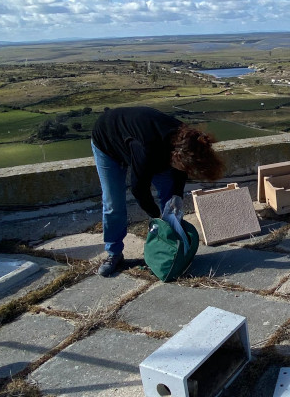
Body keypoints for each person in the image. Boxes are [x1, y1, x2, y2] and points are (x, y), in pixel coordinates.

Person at [91, 106, 225, 277]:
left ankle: (171, 249)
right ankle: (114, 253)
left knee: (170, 199)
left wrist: (175, 199)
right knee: (113, 203)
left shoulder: (187, 141)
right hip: (107, 141)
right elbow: (139, 189)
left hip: (149, 144)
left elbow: (179, 175)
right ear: (175, 157)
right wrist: (156, 219)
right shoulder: (146, 149)